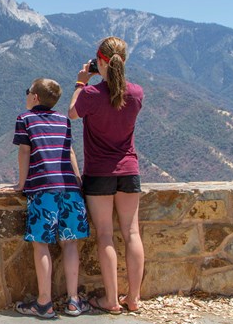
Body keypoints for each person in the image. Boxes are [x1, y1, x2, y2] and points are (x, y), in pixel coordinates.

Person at [67, 36, 145, 315]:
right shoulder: (136, 92)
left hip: (99, 172)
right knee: (132, 233)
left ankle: (111, 301)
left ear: (100, 61)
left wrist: (80, 81)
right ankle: (133, 299)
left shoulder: (90, 95)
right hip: (129, 170)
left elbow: (72, 113)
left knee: (105, 236)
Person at [8, 77, 90, 319]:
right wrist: (77, 180)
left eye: (27, 91)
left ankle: (44, 303)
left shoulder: (25, 119)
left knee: (41, 243)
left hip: (42, 188)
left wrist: (21, 184)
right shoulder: (64, 120)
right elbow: (70, 151)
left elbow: (25, 152)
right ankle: (74, 301)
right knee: (71, 242)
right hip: (70, 188)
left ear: (34, 97)